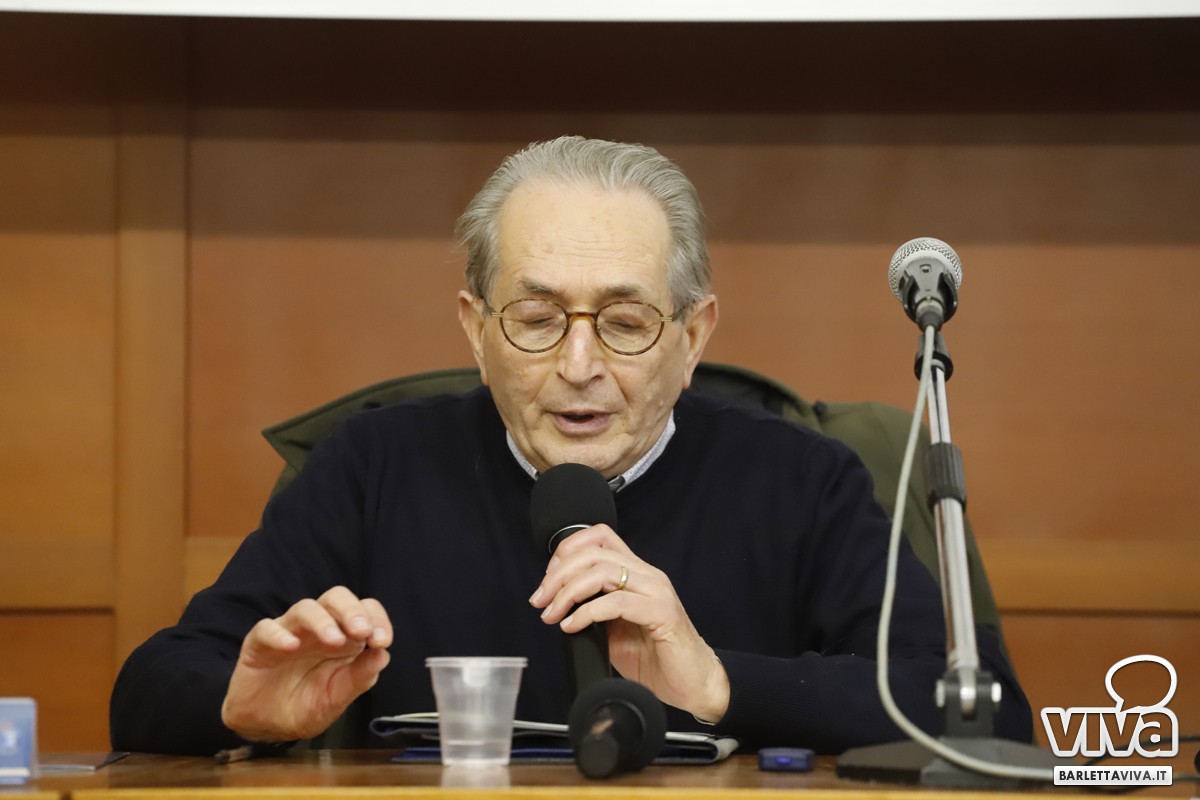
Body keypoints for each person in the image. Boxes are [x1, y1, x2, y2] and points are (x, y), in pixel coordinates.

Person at [110, 135, 1032, 755]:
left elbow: (987, 711)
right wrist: (238, 708)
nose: (578, 366)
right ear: (476, 330)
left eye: (625, 322)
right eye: (536, 318)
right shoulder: (373, 470)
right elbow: (152, 684)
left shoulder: (802, 480)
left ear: (693, 336)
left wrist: (719, 682)